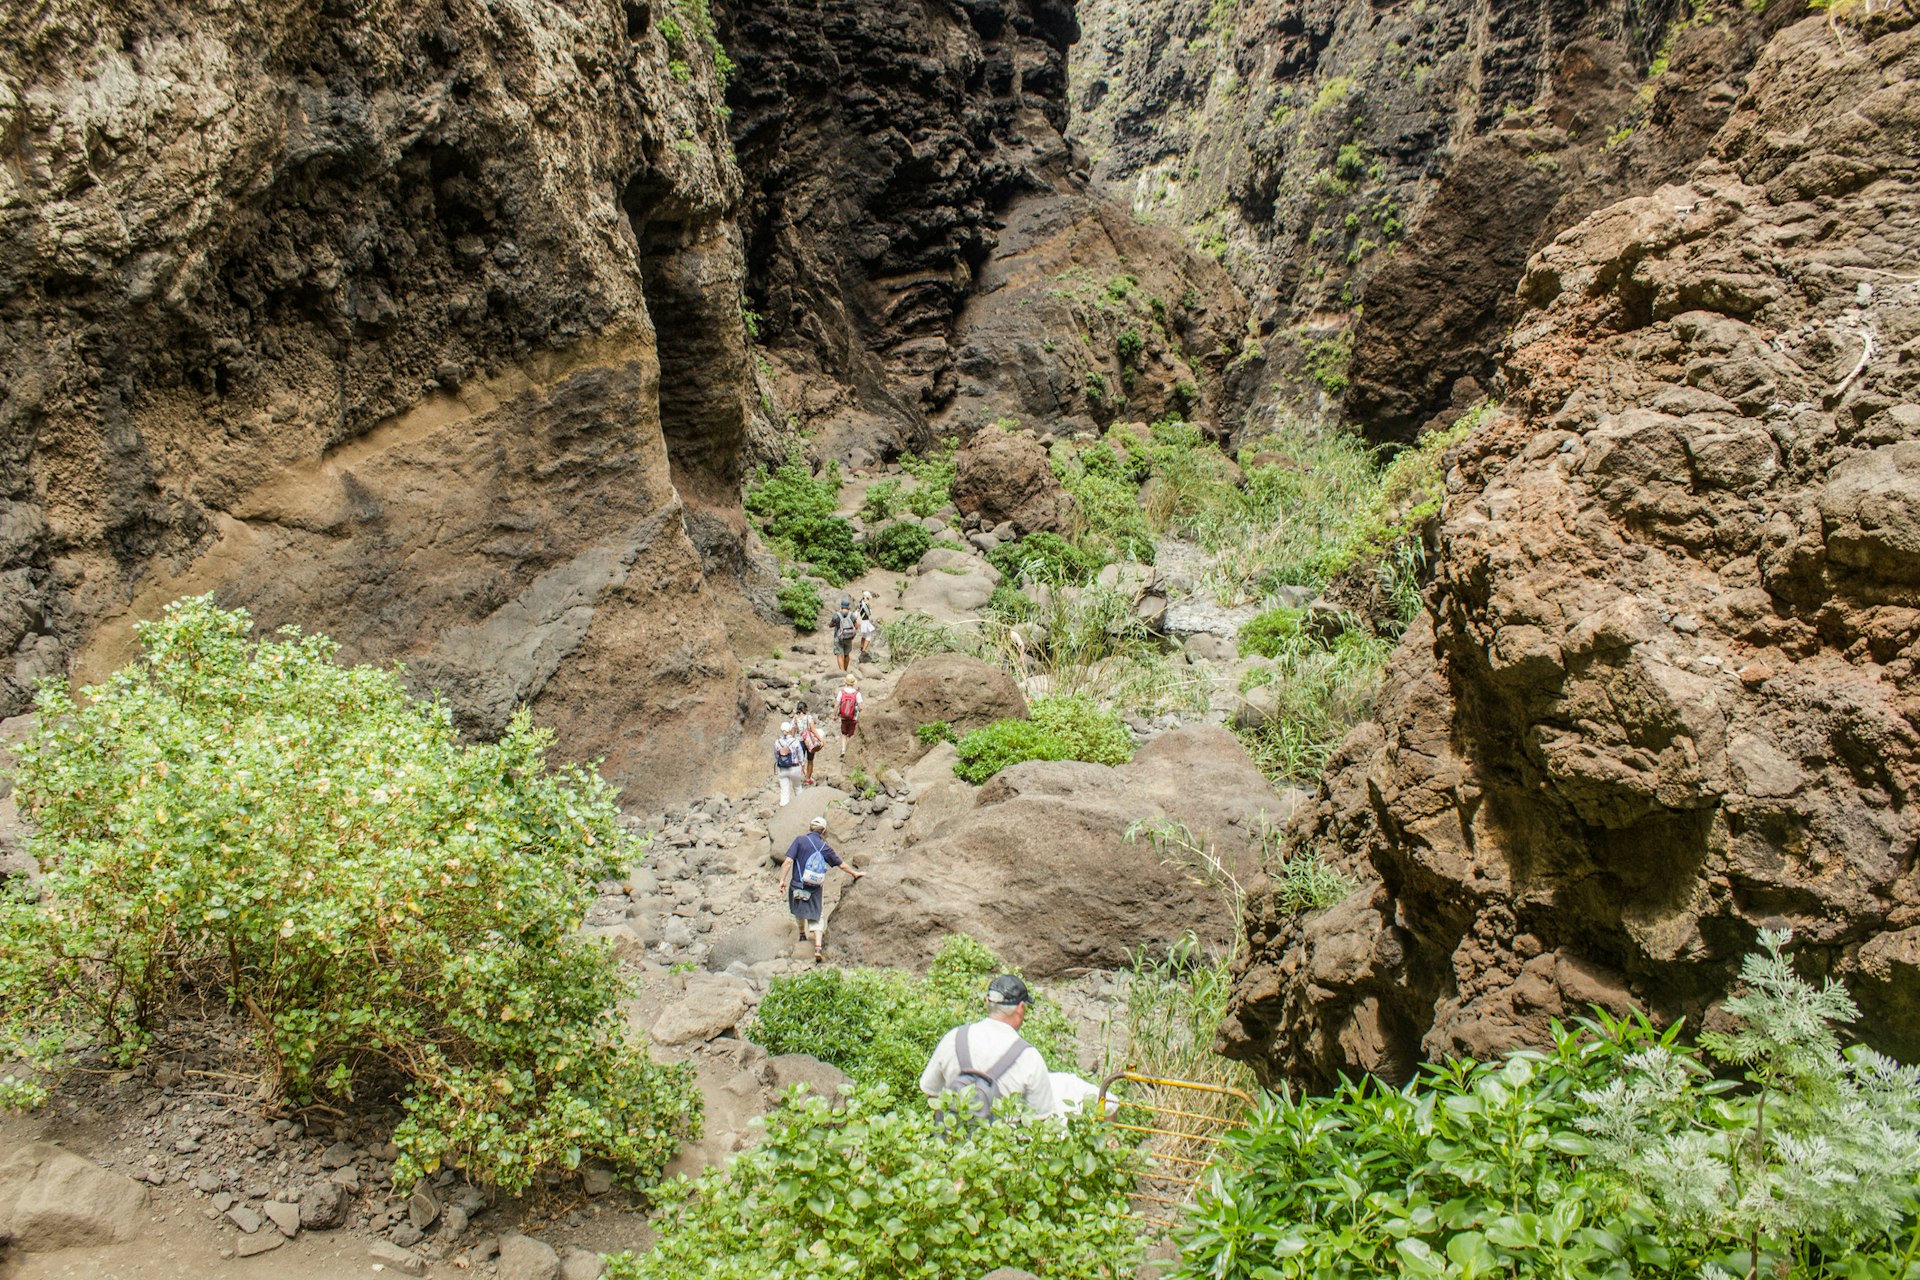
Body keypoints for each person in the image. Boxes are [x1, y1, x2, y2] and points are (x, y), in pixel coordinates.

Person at [919, 975, 1058, 1121]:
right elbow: (1042, 1118)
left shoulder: (954, 1038)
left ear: (987, 1002)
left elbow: (931, 1093)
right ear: (1020, 1008)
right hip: (1002, 1141)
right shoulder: (1029, 1057)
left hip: (950, 1139)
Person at [777, 815, 863, 962]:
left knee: (799, 908)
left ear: (810, 828)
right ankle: (817, 947)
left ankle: (802, 934)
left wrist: (782, 880)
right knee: (817, 913)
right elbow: (841, 864)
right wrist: (854, 873)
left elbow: (788, 862)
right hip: (814, 887)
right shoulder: (824, 847)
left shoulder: (800, 840)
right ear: (823, 831)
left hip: (797, 884)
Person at [774, 720, 805, 807]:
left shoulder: (777, 742)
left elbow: (776, 755)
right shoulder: (795, 741)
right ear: (790, 729)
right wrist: (802, 765)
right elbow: (800, 755)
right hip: (794, 768)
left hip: (783, 769)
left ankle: (784, 810)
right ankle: (800, 807)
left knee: (784, 791)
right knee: (798, 788)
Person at [793, 699, 823, 787]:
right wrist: (820, 739)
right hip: (809, 742)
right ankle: (808, 778)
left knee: (800, 761)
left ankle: (797, 779)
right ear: (805, 708)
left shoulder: (795, 719)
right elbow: (813, 730)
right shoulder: (808, 718)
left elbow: (793, 731)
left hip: (799, 741)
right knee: (810, 760)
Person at [834, 674, 862, 759]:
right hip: (853, 717)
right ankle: (850, 751)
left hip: (843, 717)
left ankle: (843, 749)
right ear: (853, 683)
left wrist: (834, 715)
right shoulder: (857, 693)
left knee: (844, 733)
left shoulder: (841, 692)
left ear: (846, 682)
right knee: (851, 734)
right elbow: (861, 707)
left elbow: (836, 705)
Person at [828, 597, 859, 673]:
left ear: (841, 606)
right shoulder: (852, 615)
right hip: (849, 638)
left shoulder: (837, 615)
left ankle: (842, 672)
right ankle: (845, 670)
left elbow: (830, 625)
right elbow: (857, 626)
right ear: (848, 606)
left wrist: (836, 624)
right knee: (846, 654)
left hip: (839, 638)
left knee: (839, 654)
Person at [856, 591, 877, 662]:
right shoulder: (865, 603)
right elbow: (869, 612)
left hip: (862, 621)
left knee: (864, 635)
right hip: (865, 621)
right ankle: (864, 650)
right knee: (868, 636)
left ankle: (861, 648)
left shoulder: (859, 602)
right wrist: (867, 600)